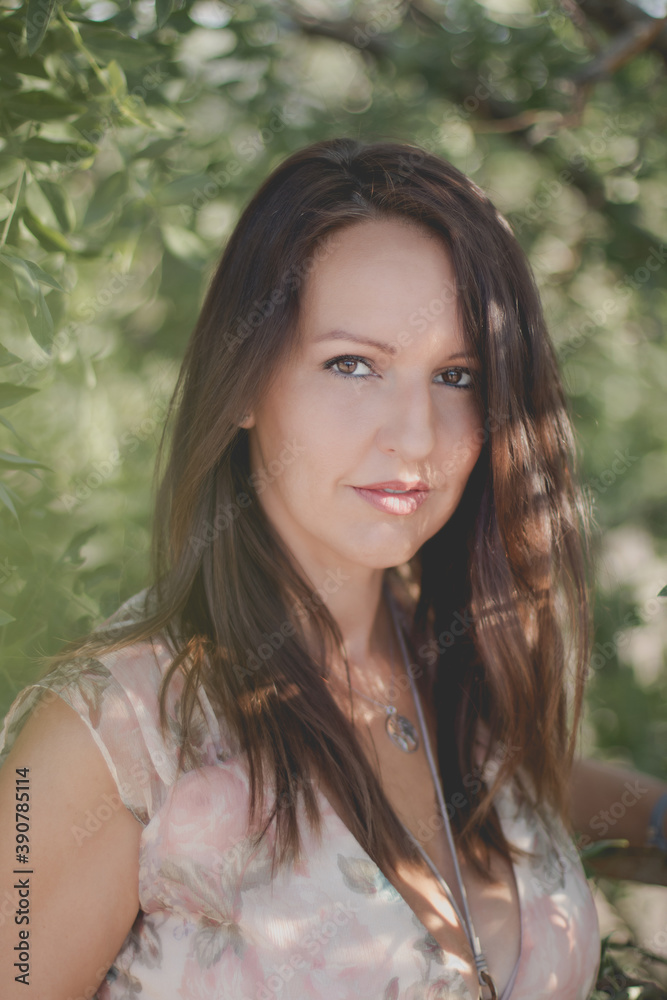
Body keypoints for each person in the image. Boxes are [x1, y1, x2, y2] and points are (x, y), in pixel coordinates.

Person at [0, 137, 665, 1000]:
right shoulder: (109, 740)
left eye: (456, 375)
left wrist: (654, 817)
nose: (415, 436)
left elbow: (512, 792)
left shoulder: (450, 663)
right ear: (242, 382)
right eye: (353, 365)